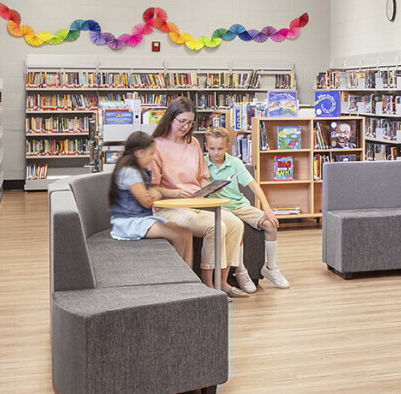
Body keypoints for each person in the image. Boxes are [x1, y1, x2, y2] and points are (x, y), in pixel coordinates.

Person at [148, 97, 250, 297]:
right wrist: (175, 193)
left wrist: (211, 187)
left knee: (236, 224)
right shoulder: (156, 146)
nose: (186, 127)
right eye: (182, 121)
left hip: (197, 203)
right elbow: (153, 188)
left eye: (190, 123)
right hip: (170, 208)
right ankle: (208, 286)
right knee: (216, 226)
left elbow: (202, 178)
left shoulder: (193, 142)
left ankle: (223, 282)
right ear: (170, 118)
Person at [203, 127, 291, 290]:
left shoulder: (235, 163)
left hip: (240, 205)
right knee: (238, 227)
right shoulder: (202, 163)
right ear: (206, 146)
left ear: (227, 147)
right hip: (219, 208)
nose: (216, 152)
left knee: (270, 224)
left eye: (220, 148)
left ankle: (271, 268)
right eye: (212, 148)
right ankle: (241, 272)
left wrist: (267, 209)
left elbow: (254, 186)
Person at [108, 131, 191, 262]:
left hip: (142, 219)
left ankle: (190, 275)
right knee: (178, 237)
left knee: (186, 232)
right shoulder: (129, 172)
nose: (153, 158)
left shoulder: (138, 170)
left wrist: (158, 193)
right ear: (139, 153)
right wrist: (157, 194)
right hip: (130, 222)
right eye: (151, 153)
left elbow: (149, 193)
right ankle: (177, 278)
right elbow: (146, 201)